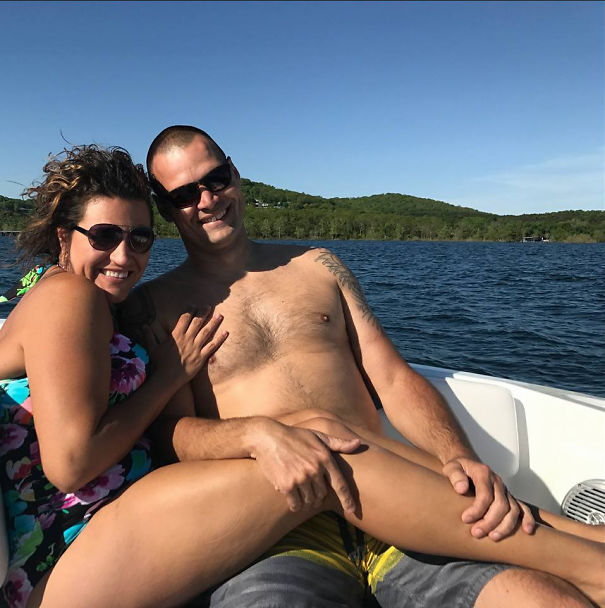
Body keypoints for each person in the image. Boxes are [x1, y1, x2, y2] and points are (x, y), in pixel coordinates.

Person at [1, 143, 602, 608]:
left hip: (376, 506)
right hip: (117, 541)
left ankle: (577, 548)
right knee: (316, 436)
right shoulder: (118, 304)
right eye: (106, 236)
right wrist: (233, 418)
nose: (124, 254)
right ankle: (589, 557)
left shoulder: (314, 267)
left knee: (543, 598)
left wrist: (460, 458)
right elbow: (120, 450)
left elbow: (392, 378)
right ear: (65, 235)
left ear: (236, 176)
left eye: (137, 238)